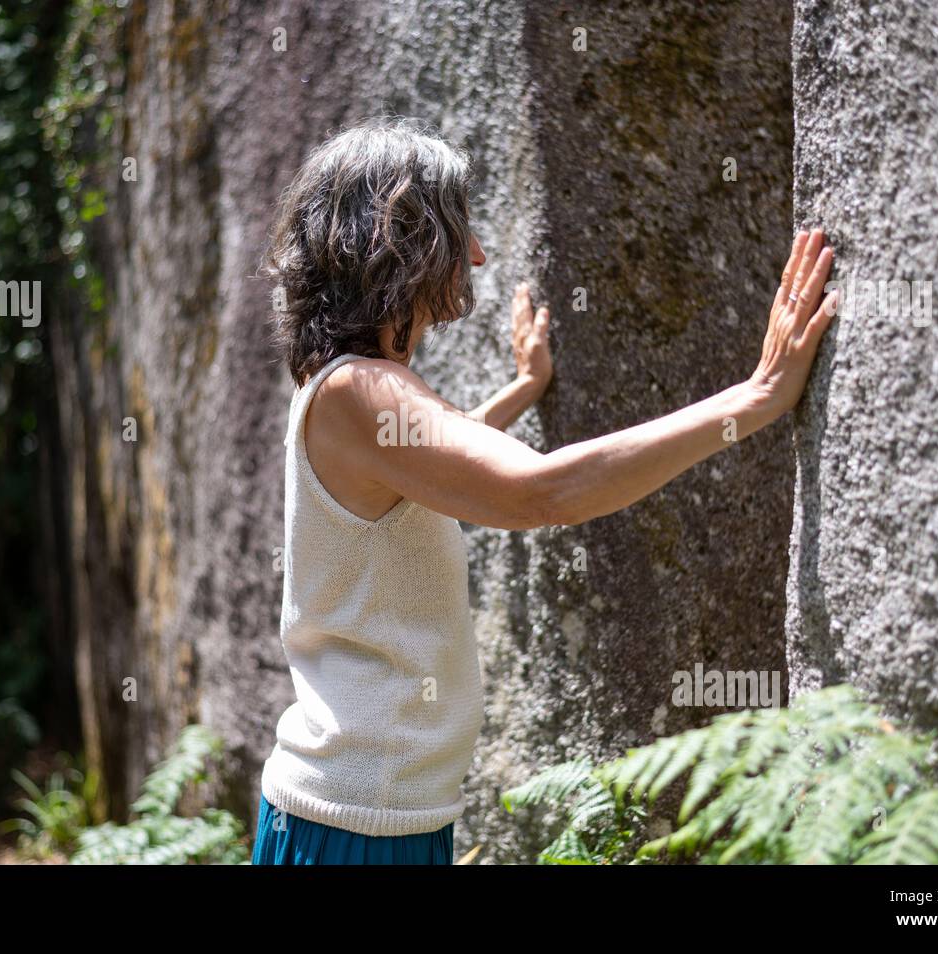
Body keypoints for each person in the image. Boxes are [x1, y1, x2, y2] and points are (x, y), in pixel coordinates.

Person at [252, 116, 837, 865]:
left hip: (369, 812)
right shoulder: (361, 392)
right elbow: (538, 493)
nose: (479, 253)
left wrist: (527, 387)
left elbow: (428, 468)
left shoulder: (344, 390)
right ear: (399, 241)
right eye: (457, 228)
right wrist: (754, 399)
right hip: (354, 826)